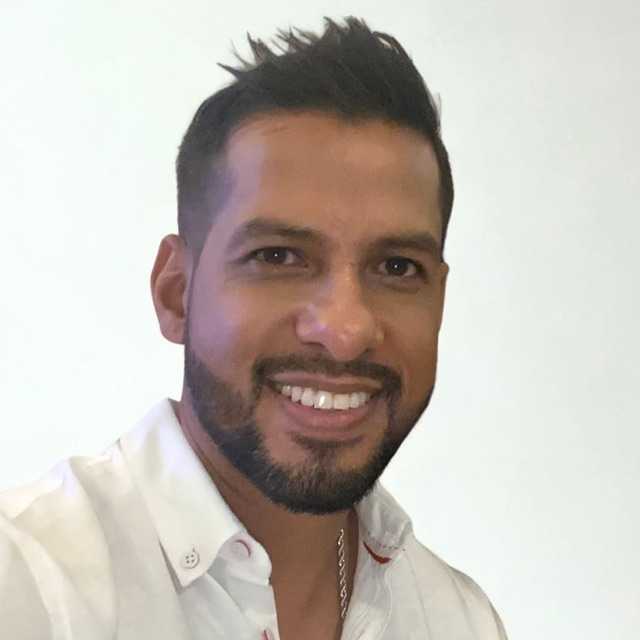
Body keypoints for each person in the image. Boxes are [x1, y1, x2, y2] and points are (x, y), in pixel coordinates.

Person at [0, 16, 507, 640]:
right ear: (175, 293)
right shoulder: (27, 589)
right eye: (278, 256)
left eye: (398, 267)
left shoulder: (460, 621)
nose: (345, 330)